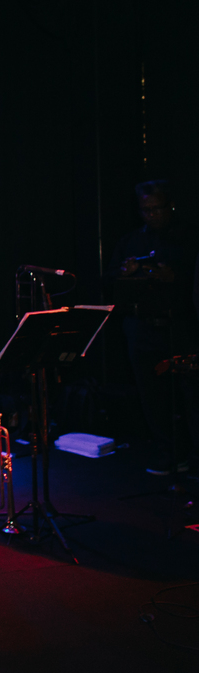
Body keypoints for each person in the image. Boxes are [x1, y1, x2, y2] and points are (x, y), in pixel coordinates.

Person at [111, 180, 199, 475]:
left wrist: (174, 277)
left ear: (169, 205)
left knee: (191, 394)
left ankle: (194, 457)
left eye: (157, 208)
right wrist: (127, 274)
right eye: (146, 210)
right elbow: (110, 283)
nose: (152, 214)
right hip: (143, 327)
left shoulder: (189, 237)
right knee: (153, 396)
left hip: (181, 325)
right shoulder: (131, 242)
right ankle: (168, 452)